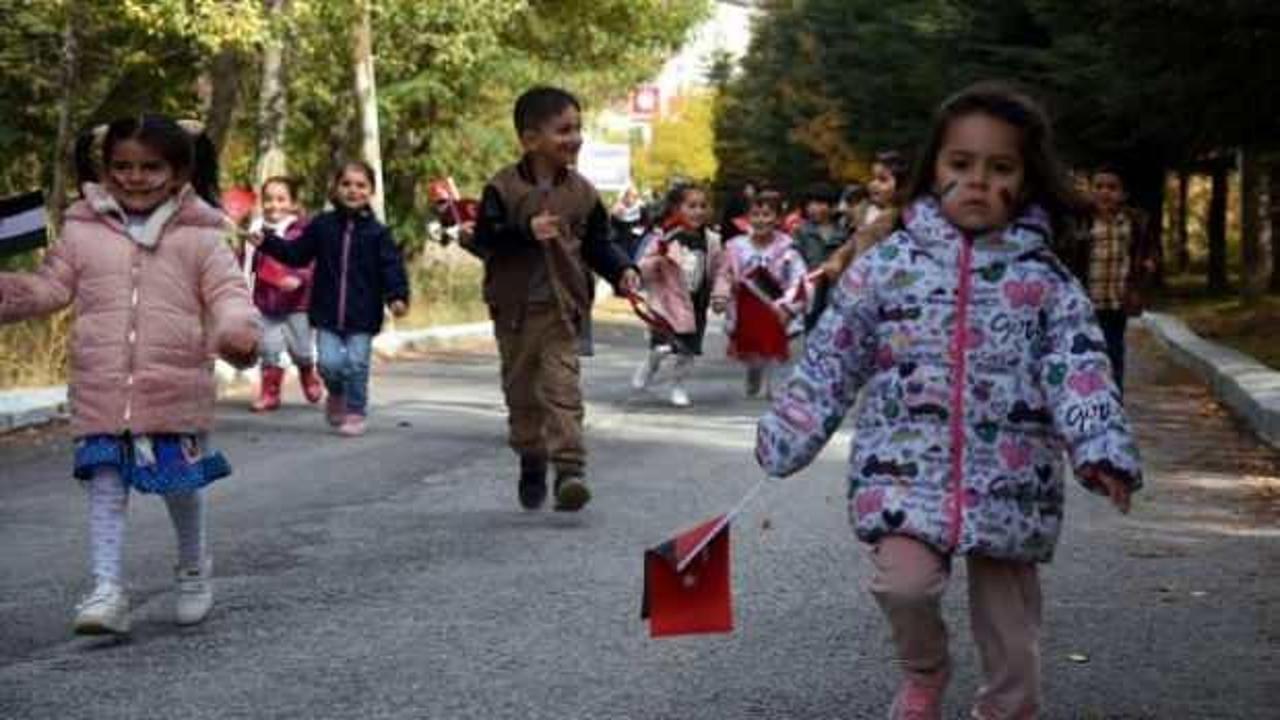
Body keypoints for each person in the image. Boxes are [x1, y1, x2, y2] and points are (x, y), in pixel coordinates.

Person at [755, 82, 1143, 720]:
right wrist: (788, 434)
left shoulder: (1045, 280)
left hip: (1012, 477)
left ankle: (1006, 710)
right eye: (960, 165)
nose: (978, 182)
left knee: (1012, 634)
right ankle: (925, 670)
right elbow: (832, 357)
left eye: (1000, 168)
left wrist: (1101, 448)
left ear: (1026, 179)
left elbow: (1080, 370)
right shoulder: (886, 266)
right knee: (902, 586)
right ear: (934, 167)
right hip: (905, 472)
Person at [0, 115, 261, 635]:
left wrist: (236, 330)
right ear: (106, 168)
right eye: (122, 166)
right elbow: (52, 287)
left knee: (179, 489)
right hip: (101, 385)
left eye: (150, 167)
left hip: (173, 387)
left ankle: (192, 568)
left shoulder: (201, 235)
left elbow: (229, 294)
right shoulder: (82, 229)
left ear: (178, 170)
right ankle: (106, 589)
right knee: (105, 484)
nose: (134, 177)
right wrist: (10, 292)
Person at [465, 86, 640, 512]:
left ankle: (569, 471)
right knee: (522, 394)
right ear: (530, 139)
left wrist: (621, 271)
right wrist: (524, 232)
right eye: (564, 130)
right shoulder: (503, 188)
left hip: (564, 311)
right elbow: (485, 240)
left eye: (578, 128)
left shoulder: (581, 192)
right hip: (515, 313)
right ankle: (531, 457)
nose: (575, 138)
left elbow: (600, 242)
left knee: (563, 390)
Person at [249, 160, 410, 438]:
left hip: (363, 314)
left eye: (361, 185)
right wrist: (267, 242)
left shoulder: (378, 234)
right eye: (346, 184)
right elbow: (296, 253)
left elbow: (391, 267)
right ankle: (336, 392)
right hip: (326, 312)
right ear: (335, 189)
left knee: (357, 364)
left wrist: (397, 297)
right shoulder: (322, 226)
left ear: (371, 191)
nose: (353, 190)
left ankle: (356, 411)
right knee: (328, 364)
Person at [1068, 164, 1159, 393]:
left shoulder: (1132, 222)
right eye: (1098, 186)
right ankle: (1085, 400)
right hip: (1085, 303)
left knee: (1114, 354)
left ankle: (1114, 404)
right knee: (1083, 355)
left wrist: (1145, 271)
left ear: (1123, 193)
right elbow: (1068, 254)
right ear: (1090, 190)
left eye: (1112, 187)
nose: (1104, 192)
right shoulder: (1082, 221)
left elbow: (1146, 251)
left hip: (1117, 302)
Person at [711, 189, 808, 399]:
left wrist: (790, 304)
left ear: (777, 218)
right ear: (748, 218)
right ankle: (754, 373)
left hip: (776, 305)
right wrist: (720, 296)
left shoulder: (788, 248)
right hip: (746, 306)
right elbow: (725, 274)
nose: (761, 220)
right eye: (755, 215)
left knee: (775, 348)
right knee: (754, 353)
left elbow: (799, 278)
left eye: (767, 215)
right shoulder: (736, 247)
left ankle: (774, 386)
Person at [631, 182, 720, 407]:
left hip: (695, 305)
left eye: (703, 206)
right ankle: (650, 364)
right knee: (662, 347)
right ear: (677, 209)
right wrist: (659, 257)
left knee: (686, 351)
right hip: (667, 303)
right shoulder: (665, 237)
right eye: (691, 206)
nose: (698, 211)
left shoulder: (712, 240)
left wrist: (721, 295)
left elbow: (721, 271)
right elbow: (642, 268)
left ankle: (678, 386)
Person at [246, 176, 322, 412]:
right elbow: (247, 261)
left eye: (281, 199)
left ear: (293, 203)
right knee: (269, 348)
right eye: (268, 199)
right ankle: (270, 393)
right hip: (265, 302)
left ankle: (307, 372)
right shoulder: (255, 229)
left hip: (296, 304)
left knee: (300, 349)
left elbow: (311, 261)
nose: (274, 205)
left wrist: (299, 278)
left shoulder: (300, 230)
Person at [821, 150, 910, 282]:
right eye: (872, 178)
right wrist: (837, 259)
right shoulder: (866, 214)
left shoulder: (906, 218)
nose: (873, 184)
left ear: (902, 186)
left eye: (882, 180)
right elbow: (854, 242)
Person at [791, 183, 843, 331]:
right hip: (811, 288)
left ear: (832, 206)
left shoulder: (843, 231)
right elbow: (794, 259)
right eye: (810, 204)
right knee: (812, 325)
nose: (813, 208)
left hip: (835, 287)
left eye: (820, 203)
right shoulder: (801, 231)